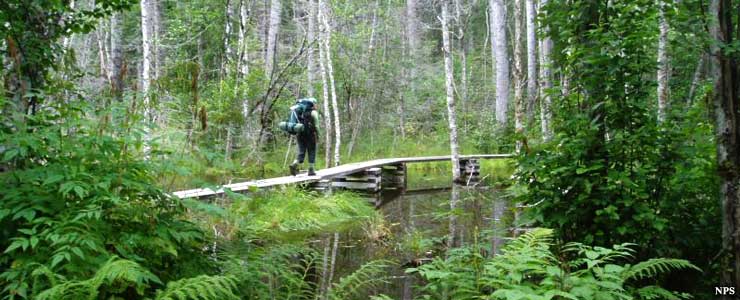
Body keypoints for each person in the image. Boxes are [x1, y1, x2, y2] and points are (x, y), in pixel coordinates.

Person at [289, 98, 320, 176]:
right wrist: (318, 135)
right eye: (316, 103)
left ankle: (294, 164)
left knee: (301, 151)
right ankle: (311, 170)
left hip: (300, 133)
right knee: (312, 151)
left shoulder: (299, 111)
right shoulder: (313, 112)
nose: (316, 105)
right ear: (313, 104)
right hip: (310, 134)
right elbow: (316, 125)